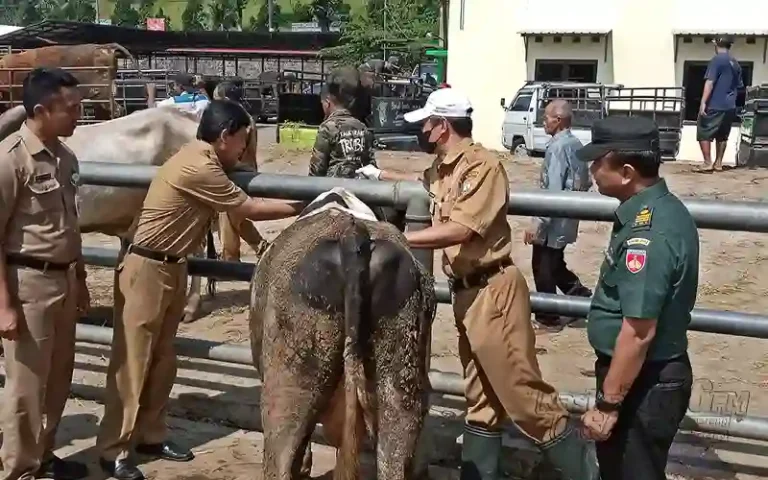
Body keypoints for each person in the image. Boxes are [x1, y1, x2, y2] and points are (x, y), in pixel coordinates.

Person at [356, 88, 599, 480]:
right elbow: (428, 191)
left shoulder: (483, 167)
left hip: (493, 291)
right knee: (481, 398)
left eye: (426, 124)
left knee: (523, 396)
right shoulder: (444, 168)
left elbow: (462, 228)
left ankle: (586, 472)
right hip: (468, 293)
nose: (422, 131)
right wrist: (380, 176)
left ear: (442, 126)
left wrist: (394, 238)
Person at [96, 100, 306, 480]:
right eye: (243, 141)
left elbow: (239, 218)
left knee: (162, 361)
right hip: (147, 267)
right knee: (132, 363)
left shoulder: (205, 162)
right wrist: (304, 202)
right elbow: (249, 207)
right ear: (225, 136)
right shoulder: (199, 166)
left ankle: (151, 434)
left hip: (172, 268)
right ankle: (114, 450)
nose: (244, 150)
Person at [576, 116, 699, 480]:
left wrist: (608, 405)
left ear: (627, 171)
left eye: (599, 162)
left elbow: (638, 331)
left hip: (644, 380)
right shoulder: (652, 213)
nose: (593, 169)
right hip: (637, 375)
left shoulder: (649, 235)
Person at [0, 67, 90, 480]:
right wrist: (5, 306)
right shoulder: (10, 160)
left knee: (58, 378)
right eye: (71, 109)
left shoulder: (66, 158)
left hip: (65, 280)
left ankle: (44, 458)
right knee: (26, 388)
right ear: (41, 110)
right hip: (28, 284)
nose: (78, 116)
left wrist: (82, 279)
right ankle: (18, 470)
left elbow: (72, 224)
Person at [523, 99, 593, 332]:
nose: (544, 121)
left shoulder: (557, 147)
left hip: (552, 218)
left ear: (559, 120)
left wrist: (538, 222)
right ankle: (581, 299)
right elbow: (585, 181)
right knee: (554, 264)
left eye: (547, 117)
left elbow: (552, 188)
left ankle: (548, 317)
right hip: (568, 214)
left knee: (542, 266)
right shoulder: (576, 144)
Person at [308, 67, 376, 179]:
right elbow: (371, 164)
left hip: (333, 188)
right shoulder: (362, 127)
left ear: (327, 103)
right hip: (360, 188)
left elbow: (317, 170)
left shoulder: (327, 128)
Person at [695, 35, 743, 173]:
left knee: (704, 130)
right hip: (730, 105)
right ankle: (718, 163)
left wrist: (703, 102)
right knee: (722, 134)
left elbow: (710, 82)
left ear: (717, 45)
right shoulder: (735, 63)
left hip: (715, 104)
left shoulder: (717, 60)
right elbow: (739, 86)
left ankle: (707, 162)